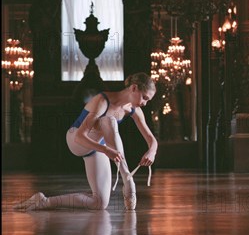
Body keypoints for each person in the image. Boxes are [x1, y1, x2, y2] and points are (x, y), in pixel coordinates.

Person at [14, 73, 158, 211]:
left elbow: (152, 139)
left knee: (99, 203)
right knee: (109, 120)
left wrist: (151, 151)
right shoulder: (102, 100)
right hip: (76, 139)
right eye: (144, 97)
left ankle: (44, 201)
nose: (145, 103)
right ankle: (127, 179)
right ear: (134, 88)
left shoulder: (134, 110)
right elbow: (80, 137)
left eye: (148, 100)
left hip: (98, 146)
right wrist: (106, 150)